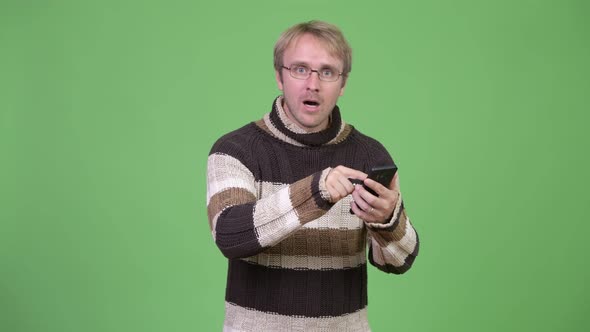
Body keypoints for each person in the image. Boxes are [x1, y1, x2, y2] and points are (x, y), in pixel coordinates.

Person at [206, 20, 419, 331]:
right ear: (279, 76)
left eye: (328, 72)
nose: (313, 84)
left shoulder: (369, 155)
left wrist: (388, 219)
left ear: (343, 84)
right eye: (300, 69)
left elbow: (399, 261)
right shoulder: (236, 150)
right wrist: (316, 192)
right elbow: (229, 234)